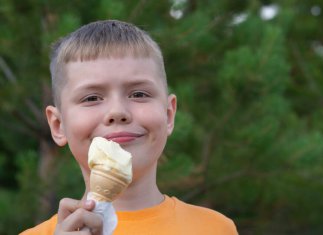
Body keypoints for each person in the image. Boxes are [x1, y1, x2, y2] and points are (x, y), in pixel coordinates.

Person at [20, 20, 238, 234]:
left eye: (139, 94)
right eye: (92, 98)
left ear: (169, 114)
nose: (117, 112)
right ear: (58, 125)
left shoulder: (215, 229)